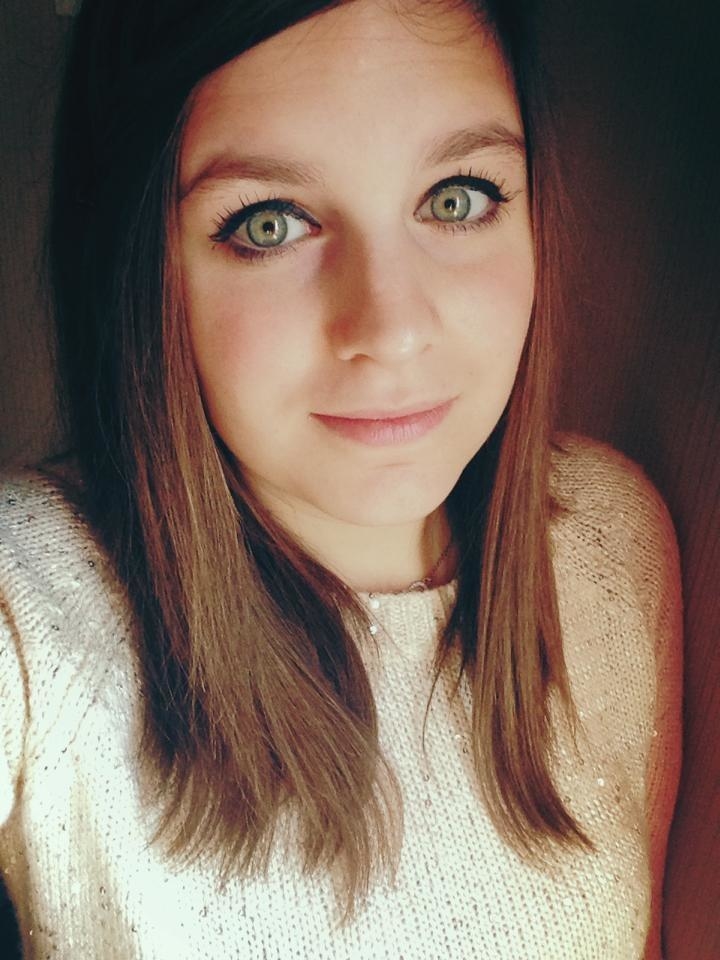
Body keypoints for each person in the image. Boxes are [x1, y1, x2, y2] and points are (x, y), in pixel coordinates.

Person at [0, 0, 683, 957]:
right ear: (136, 261)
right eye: (269, 223)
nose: (392, 329)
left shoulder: (607, 542)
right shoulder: (25, 603)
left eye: (457, 198)